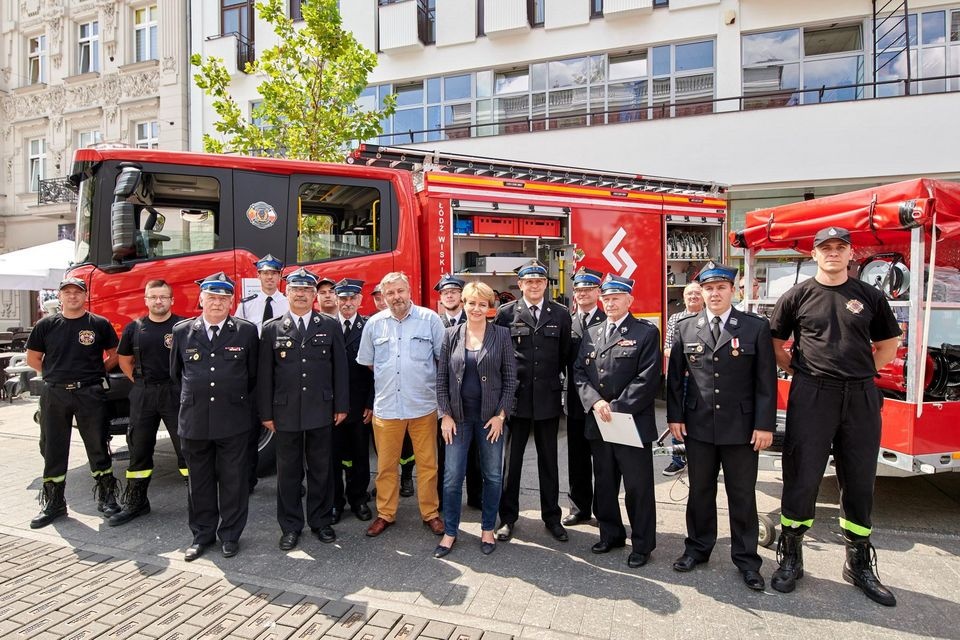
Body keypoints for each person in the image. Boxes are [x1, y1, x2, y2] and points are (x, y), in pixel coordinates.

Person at [768, 227, 901, 607]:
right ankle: (791, 556)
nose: (832, 253)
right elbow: (777, 345)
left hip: (860, 395)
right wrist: (808, 374)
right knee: (802, 475)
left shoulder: (870, 296)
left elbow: (888, 346)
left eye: (839, 248)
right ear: (814, 254)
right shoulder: (797, 296)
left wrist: (859, 373)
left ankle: (858, 563)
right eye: (825, 248)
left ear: (850, 253)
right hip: (812, 395)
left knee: (859, 479)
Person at [666, 262, 776, 591]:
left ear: (733, 290)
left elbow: (766, 382)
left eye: (721, 288)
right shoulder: (686, 327)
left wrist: (764, 424)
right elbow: (674, 381)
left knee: (741, 495)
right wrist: (675, 417)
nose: (714, 294)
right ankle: (697, 549)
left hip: (742, 429)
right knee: (699, 492)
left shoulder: (754, 327)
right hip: (698, 426)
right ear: (701, 292)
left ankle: (746, 560)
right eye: (708, 288)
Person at [574, 274, 661, 569]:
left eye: (616, 298)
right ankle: (610, 534)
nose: (610, 303)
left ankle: (642, 544)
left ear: (629, 301)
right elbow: (580, 374)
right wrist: (596, 402)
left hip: (631, 422)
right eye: (607, 298)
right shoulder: (592, 333)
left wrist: (617, 406)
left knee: (638, 488)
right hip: (600, 421)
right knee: (606, 484)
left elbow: (648, 377)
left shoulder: (645, 332)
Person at [259, 268, 349, 551]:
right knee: (288, 473)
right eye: (296, 290)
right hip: (285, 413)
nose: (301, 295)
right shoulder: (272, 328)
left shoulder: (330, 325)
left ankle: (321, 521)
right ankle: (290, 526)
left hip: (321, 409)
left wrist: (341, 405)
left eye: (307, 291)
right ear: (287, 294)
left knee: (321, 469)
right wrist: (266, 413)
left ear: (314, 296)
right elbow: (265, 376)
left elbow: (340, 370)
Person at [171, 272, 259, 561]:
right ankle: (202, 535)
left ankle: (231, 535)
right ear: (201, 299)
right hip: (195, 420)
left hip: (233, 420)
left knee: (234, 481)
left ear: (231, 302)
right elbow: (176, 375)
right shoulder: (183, 331)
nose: (217, 303)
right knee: (199, 482)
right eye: (212, 297)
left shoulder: (245, 331)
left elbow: (253, 375)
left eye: (223, 298)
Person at [25, 277, 121, 528]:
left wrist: (95, 372)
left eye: (77, 292)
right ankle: (54, 503)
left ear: (85, 295)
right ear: (60, 296)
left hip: (89, 392)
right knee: (53, 449)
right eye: (67, 292)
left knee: (98, 445)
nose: (72, 296)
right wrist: (55, 373)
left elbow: (114, 355)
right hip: (54, 393)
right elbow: (33, 358)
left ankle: (107, 497)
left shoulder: (98, 324)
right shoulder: (45, 325)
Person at [357, 272, 446, 537]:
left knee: (428, 465)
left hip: (423, 407)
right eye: (390, 293)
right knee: (386, 466)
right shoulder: (374, 324)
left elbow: (443, 360)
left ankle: (430, 513)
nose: (396, 297)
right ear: (383, 297)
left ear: (410, 291)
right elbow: (370, 363)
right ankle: (386, 514)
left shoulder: (430, 320)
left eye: (400, 291)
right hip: (387, 409)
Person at [435, 282, 518, 557]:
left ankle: (487, 529)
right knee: (451, 477)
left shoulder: (502, 335)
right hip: (457, 419)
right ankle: (450, 532)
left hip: (489, 420)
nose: (476, 308)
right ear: (463, 303)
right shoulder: (450, 335)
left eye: (482, 304)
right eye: (471, 303)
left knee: (492, 476)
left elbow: (510, 381)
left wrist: (501, 416)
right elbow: (441, 380)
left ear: (489, 307)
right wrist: (444, 415)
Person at [494, 259, 572, 543]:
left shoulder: (561, 314)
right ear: (521, 285)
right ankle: (508, 518)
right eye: (529, 281)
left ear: (545, 285)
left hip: (548, 400)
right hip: (517, 400)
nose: (535, 285)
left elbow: (564, 355)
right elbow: (500, 357)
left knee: (549, 462)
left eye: (540, 281)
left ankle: (552, 517)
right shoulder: (505, 314)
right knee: (511, 464)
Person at [109, 279, 188, 526]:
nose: (158, 301)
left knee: (186, 448)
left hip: (175, 393)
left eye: (163, 297)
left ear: (171, 300)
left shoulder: (184, 327)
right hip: (144, 393)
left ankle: (199, 502)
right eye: (153, 297)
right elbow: (124, 360)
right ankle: (137, 501)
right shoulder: (135, 328)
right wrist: (141, 383)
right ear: (146, 300)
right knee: (139, 448)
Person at [234, 253, 289, 492]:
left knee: (286, 429)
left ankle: (291, 483)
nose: (269, 277)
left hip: (281, 371)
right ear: (259, 276)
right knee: (250, 428)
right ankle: (248, 479)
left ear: (279, 277)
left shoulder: (289, 303)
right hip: (254, 373)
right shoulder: (247, 304)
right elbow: (236, 334)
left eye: (274, 274)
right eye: (265, 273)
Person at [435, 274, 482, 510]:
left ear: (462, 297)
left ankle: (476, 497)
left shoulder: (475, 318)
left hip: (472, 399)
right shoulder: (434, 323)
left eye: (454, 292)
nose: (450, 295)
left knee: (475, 454)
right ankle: (443, 501)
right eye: (445, 293)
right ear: (441, 299)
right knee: (446, 454)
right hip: (446, 399)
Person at [563, 266, 606, 526]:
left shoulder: (607, 318)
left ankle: (603, 511)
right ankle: (579, 508)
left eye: (588, 289)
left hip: (602, 402)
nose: (582, 294)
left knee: (602, 461)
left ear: (598, 292)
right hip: (575, 402)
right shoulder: (568, 320)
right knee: (577, 459)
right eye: (578, 290)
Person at [332, 277, 374, 524]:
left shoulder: (369, 326)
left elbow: (376, 369)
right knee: (333, 458)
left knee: (360, 456)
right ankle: (336, 503)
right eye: (343, 298)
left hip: (360, 406)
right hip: (334, 406)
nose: (347, 303)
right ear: (337, 300)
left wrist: (371, 401)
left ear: (360, 300)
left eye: (352, 298)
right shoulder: (326, 326)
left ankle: (358, 499)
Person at [661, 281, 704, 477]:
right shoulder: (675, 319)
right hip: (680, 378)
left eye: (697, 293)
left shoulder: (709, 318)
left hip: (703, 380)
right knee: (677, 419)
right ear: (684, 297)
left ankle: (702, 462)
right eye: (689, 294)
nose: (693, 297)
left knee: (700, 420)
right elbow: (668, 348)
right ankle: (678, 461)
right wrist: (685, 364)